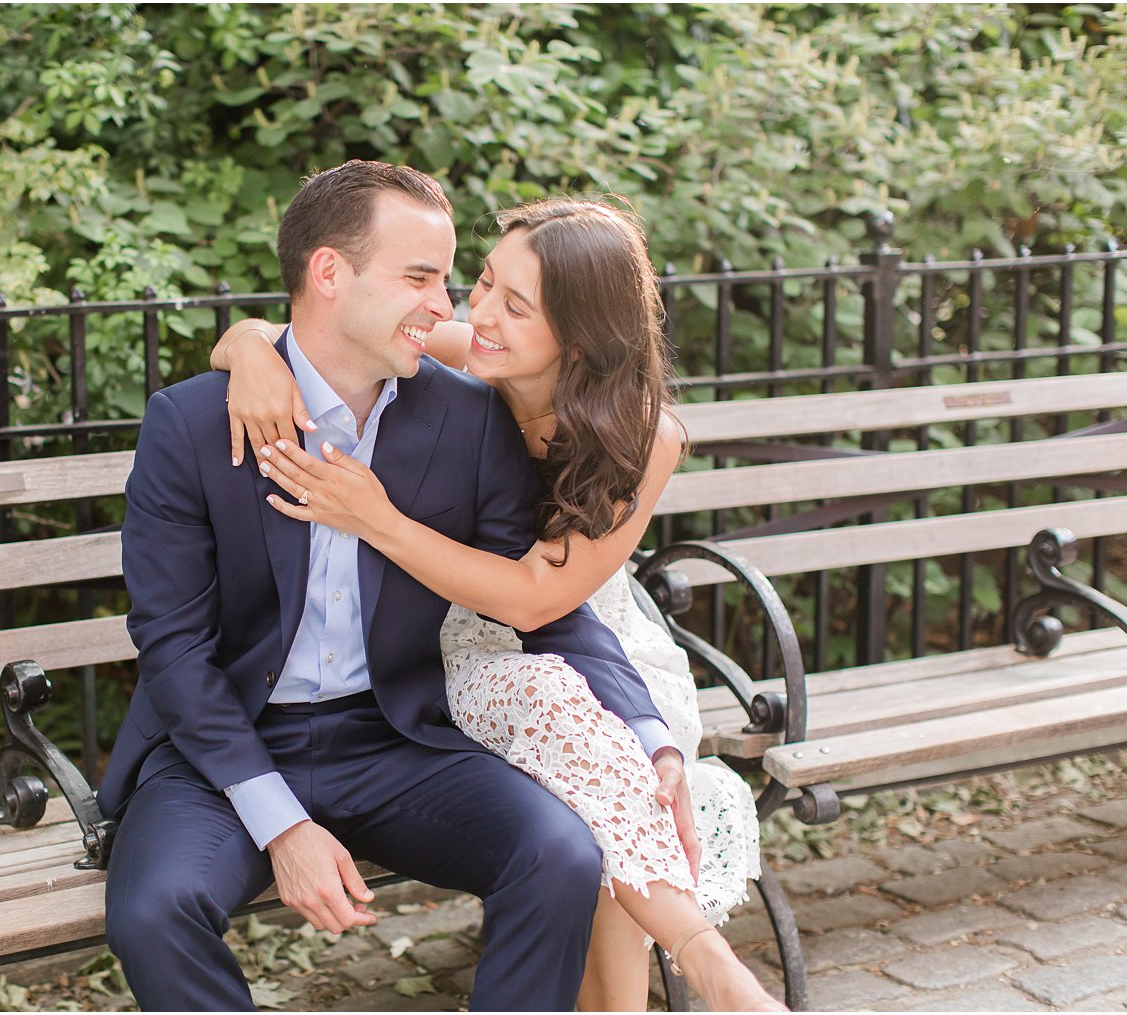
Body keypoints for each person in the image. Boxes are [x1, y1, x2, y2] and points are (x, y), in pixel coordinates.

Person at [98, 161, 698, 1012]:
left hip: (394, 735)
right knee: (154, 908)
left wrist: (647, 733)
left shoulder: (465, 414)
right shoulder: (192, 424)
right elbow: (174, 650)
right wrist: (283, 824)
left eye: (451, 279)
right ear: (330, 273)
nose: (448, 307)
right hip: (223, 747)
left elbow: (543, 611)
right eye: (421, 278)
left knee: (558, 851)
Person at [212, 197, 781, 1012]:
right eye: (482, 282)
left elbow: (540, 602)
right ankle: (706, 961)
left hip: (584, 638)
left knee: (605, 750)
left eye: (514, 305)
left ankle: (651, 989)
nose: (474, 311)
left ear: (579, 338)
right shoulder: (468, 347)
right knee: (573, 733)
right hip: (448, 638)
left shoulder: (646, 438)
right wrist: (250, 355)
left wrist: (381, 520)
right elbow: (275, 334)